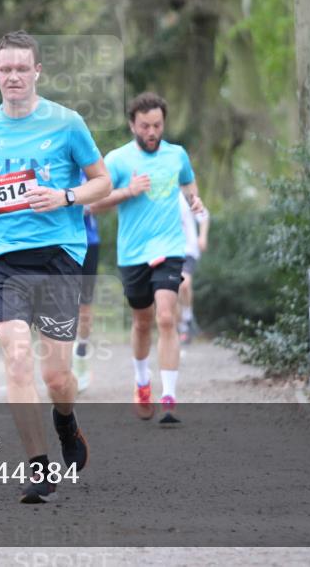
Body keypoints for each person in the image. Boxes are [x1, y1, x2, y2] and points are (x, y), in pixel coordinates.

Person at [0, 30, 111, 503]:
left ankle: (65, 420)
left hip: (58, 257)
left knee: (56, 377)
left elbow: (102, 183)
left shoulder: (67, 124)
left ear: (37, 71)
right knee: (18, 354)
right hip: (1, 260)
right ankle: (38, 466)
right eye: (6, 69)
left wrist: (65, 196)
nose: (14, 77)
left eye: (22, 68)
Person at [90, 92, 203, 426]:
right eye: (145, 126)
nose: (152, 132)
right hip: (133, 252)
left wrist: (195, 201)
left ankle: (169, 397)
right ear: (132, 125)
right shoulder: (118, 160)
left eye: (157, 125)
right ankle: (142, 383)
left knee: (166, 316)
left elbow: (189, 184)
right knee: (142, 321)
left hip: (170, 247)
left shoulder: (177, 154)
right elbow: (93, 202)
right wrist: (128, 191)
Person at [73, 171, 102, 392]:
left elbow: (103, 194)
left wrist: (88, 202)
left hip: (88, 243)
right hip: (56, 242)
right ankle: (62, 363)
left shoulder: (88, 169)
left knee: (84, 307)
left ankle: (80, 357)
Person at [177, 193, 210, 344]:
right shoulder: (158, 195)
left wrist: (202, 236)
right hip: (166, 250)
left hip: (188, 249)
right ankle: (179, 326)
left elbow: (203, 215)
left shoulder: (185, 195)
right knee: (171, 290)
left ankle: (187, 319)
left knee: (184, 283)